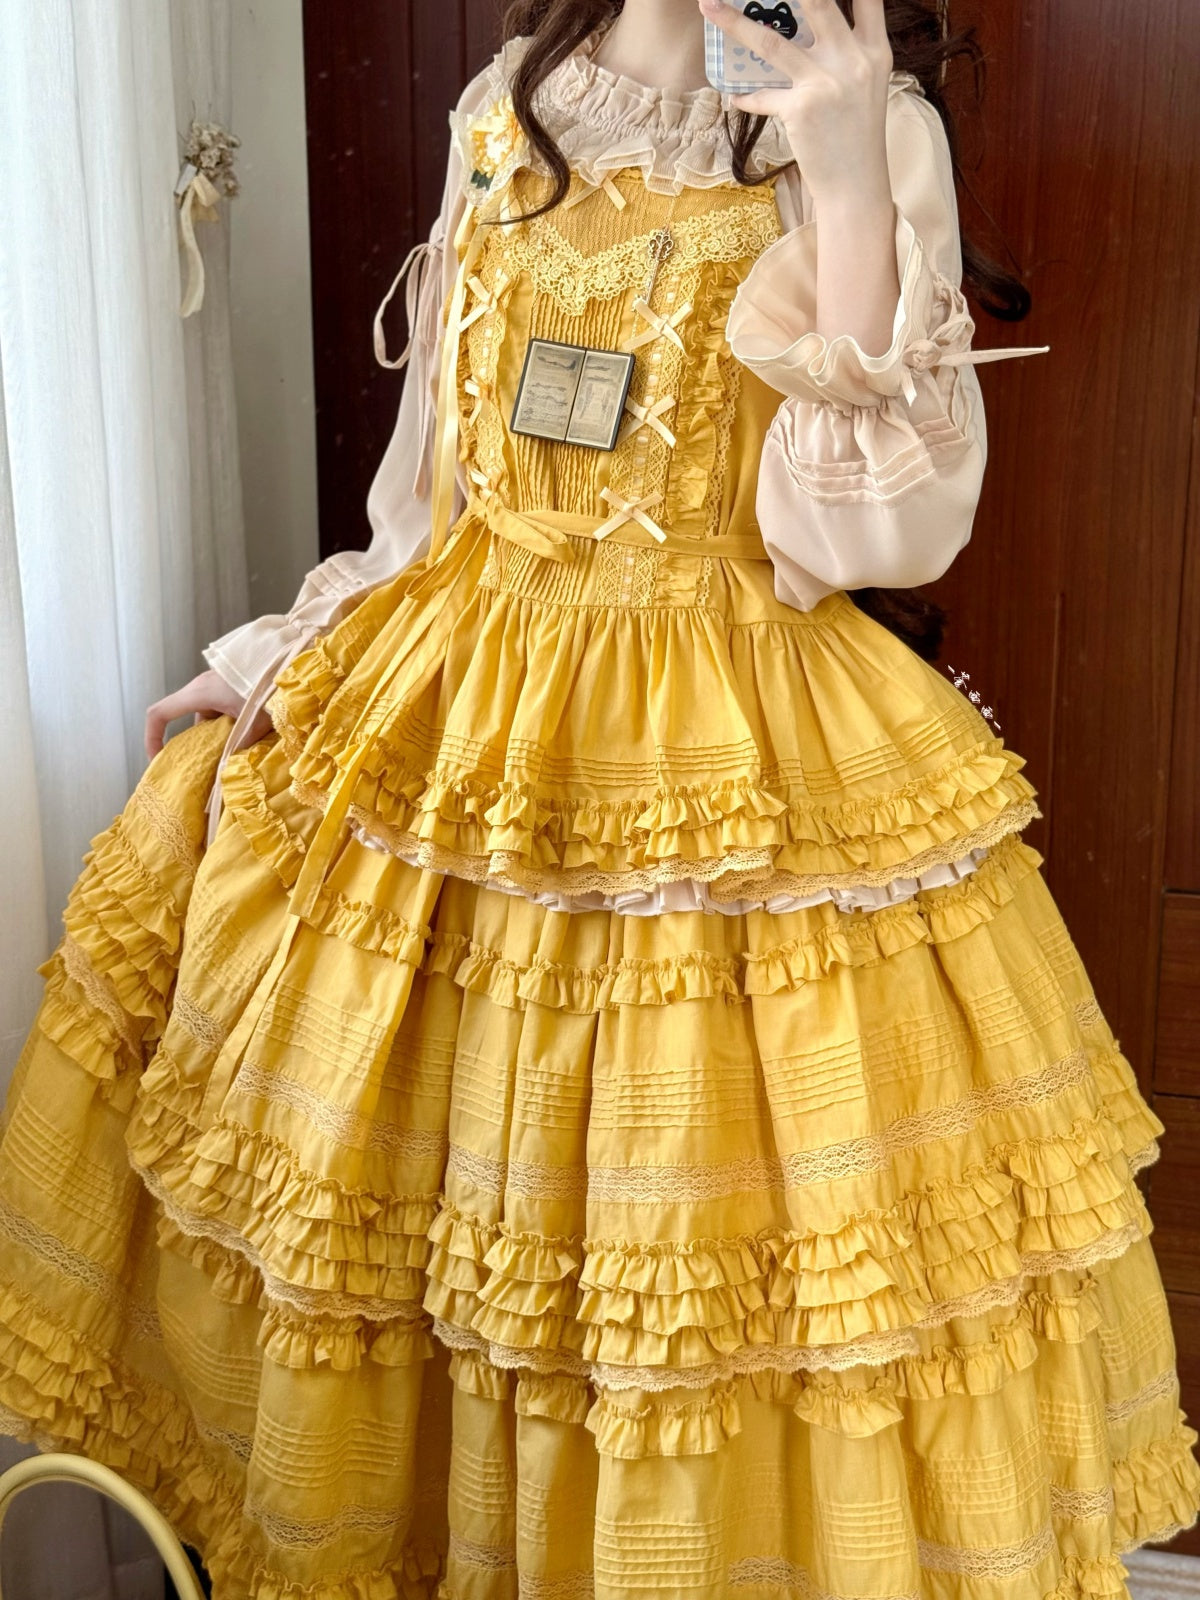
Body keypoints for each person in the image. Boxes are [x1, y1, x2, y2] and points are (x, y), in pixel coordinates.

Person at [2, 0, 1197, 1595]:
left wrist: (847, 170)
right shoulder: (509, 101)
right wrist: (284, 653)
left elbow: (878, 539)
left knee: (686, 1272)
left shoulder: (863, 122)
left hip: (731, 758)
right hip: (459, 733)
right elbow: (433, 498)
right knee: (416, 1257)